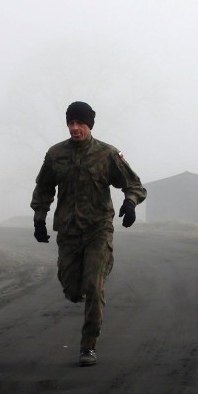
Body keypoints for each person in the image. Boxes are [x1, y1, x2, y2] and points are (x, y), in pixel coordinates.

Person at [31, 101, 147, 367]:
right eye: (71, 123)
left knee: (94, 286)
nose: (74, 128)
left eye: (79, 123)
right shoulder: (55, 154)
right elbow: (44, 189)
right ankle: (83, 286)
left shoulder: (107, 154)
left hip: (98, 228)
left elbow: (134, 184)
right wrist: (39, 219)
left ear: (89, 125)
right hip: (69, 231)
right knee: (73, 290)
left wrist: (130, 203)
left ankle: (88, 347)